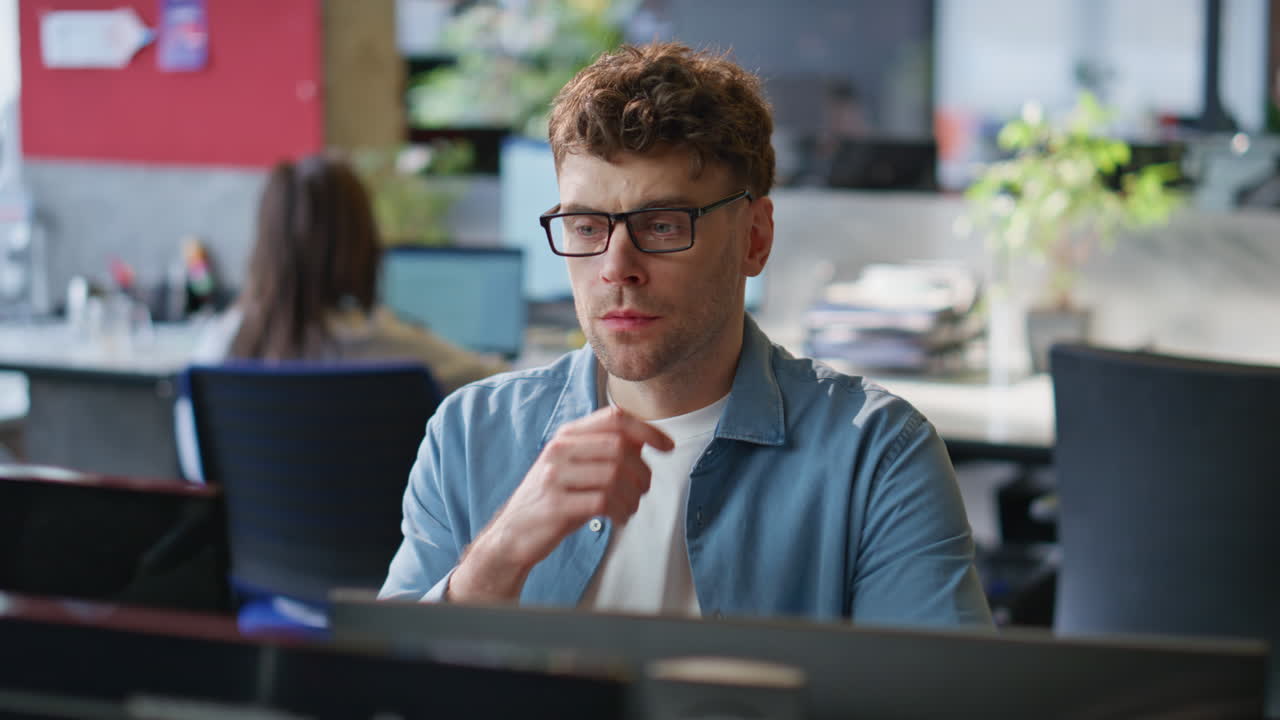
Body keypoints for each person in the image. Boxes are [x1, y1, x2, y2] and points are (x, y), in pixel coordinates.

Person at [380, 43, 992, 628]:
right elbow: (383, 676)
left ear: (755, 238)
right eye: (587, 226)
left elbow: (935, 688)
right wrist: (498, 557)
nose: (616, 267)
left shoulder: (878, 456)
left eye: (663, 225)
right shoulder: (469, 435)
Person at [177, 154, 506, 482]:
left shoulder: (218, 351)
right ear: (363, 241)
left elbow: (197, 469)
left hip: (252, 519)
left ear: (265, 242)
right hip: (388, 518)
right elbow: (506, 388)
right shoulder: (399, 349)